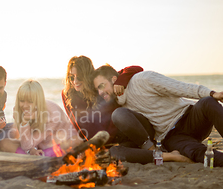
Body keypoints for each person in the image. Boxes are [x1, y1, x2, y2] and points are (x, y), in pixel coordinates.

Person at [92, 65, 223, 166]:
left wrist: (212, 93)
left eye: (102, 86)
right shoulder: (119, 106)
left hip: (190, 116)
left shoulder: (143, 79)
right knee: (196, 153)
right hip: (172, 137)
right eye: (98, 89)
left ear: (115, 80)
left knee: (207, 102)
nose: (101, 92)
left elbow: (180, 87)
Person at [61, 55, 142, 141]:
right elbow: (77, 125)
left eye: (80, 76)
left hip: (120, 131)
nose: (75, 81)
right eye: (71, 77)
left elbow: (136, 69)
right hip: (98, 141)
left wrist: (120, 81)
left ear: (87, 75)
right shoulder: (67, 94)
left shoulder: (98, 83)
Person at [0, 80, 81, 156]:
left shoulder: (52, 114)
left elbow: (29, 144)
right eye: (22, 100)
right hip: (38, 146)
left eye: (30, 101)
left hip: (57, 146)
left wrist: (31, 148)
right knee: (4, 143)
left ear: (38, 101)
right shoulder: (18, 110)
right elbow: (27, 144)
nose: (25, 105)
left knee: (75, 141)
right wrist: (32, 149)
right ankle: (35, 158)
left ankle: (37, 159)